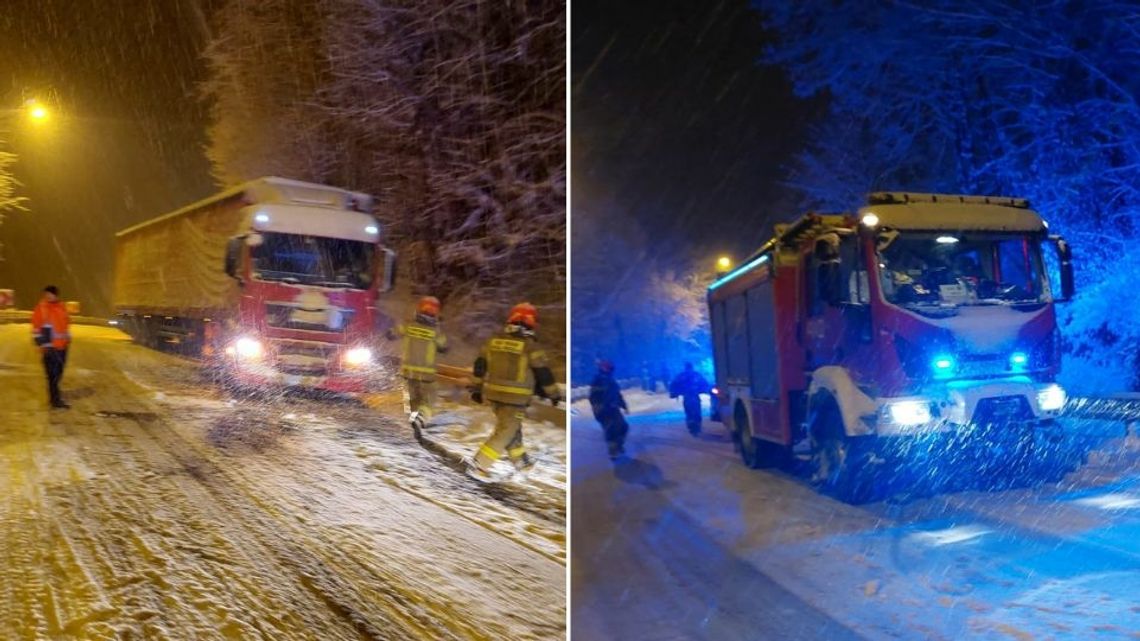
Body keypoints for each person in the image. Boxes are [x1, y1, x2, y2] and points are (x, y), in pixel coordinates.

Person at [468, 302, 562, 480]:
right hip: (515, 399)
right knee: (505, 432)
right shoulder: (530, 346)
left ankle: (522, 463)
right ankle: (479, 464)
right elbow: (543, 373)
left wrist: (476, 388)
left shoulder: (493, 341)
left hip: (494, 395)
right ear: (530, 322)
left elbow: (480, 366)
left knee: (511, 429)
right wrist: (553, 394)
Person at [389, 296, 448, 438]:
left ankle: (415, 424)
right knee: (429, 400)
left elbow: (391, 334)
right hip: (426, 375)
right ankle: (420, 418)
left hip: (407, 372)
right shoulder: (436, 332)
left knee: (413, 401)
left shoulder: (408, 325)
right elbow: (444, 348)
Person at [31, 285, 71, 409]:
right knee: (52, 375)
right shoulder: (41, 308)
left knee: (58, 373)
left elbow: (66, 324)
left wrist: (68, 337)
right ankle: (55, 400)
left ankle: (54, 396)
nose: (48, 296)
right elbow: (37, 328)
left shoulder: (62, 307)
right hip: (50, 348)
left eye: (50, 294)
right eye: (46, 294)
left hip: (62, 347)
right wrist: (43, 344)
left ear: (56, 295)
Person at [589, 359, 629, 459]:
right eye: (607, 367)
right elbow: (593, 396)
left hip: (613, 408)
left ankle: (618, 444)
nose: (609, 370)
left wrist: (624, 406)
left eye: (610, 368)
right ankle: (613, 451)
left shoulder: (611, 380)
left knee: (624, 427)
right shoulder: (598, 380)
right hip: (603, 410)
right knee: (610, 430)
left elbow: (618, 395)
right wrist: (598, 407)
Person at [670, 362, 709, 436]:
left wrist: (674, 393)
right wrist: (705, 390)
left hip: (688, 396)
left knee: (689, 412)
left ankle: (692, 424)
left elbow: (674, 384)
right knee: (697, 411)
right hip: (694, 396)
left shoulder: (681, 375)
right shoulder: (696, 374)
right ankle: (696, 425)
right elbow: (704, 383)